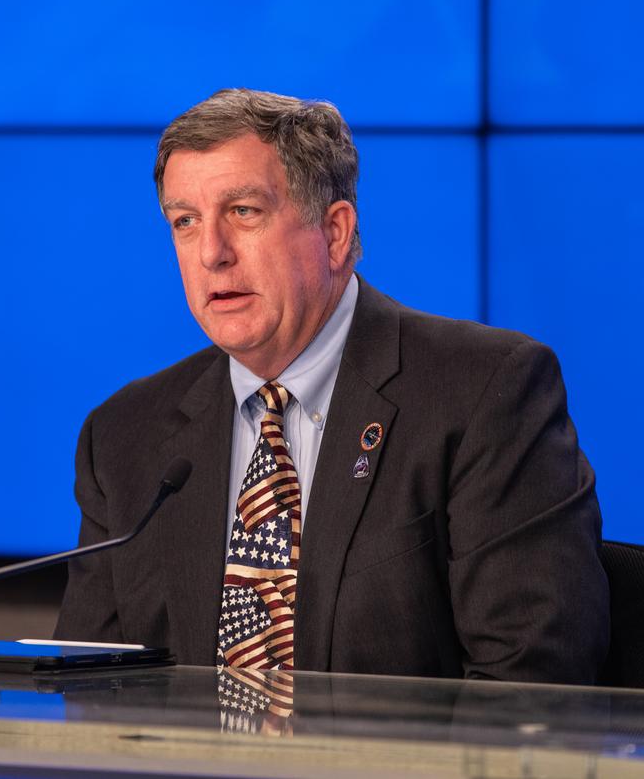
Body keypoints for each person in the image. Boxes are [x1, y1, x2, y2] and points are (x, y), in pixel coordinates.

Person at [54, 89, 609, 683]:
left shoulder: (485, 393)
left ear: (336, 233)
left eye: (244, 211)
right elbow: (88, 689)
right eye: (185, 221)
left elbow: (531, 691)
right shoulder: (124, 435)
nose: (211, 253)